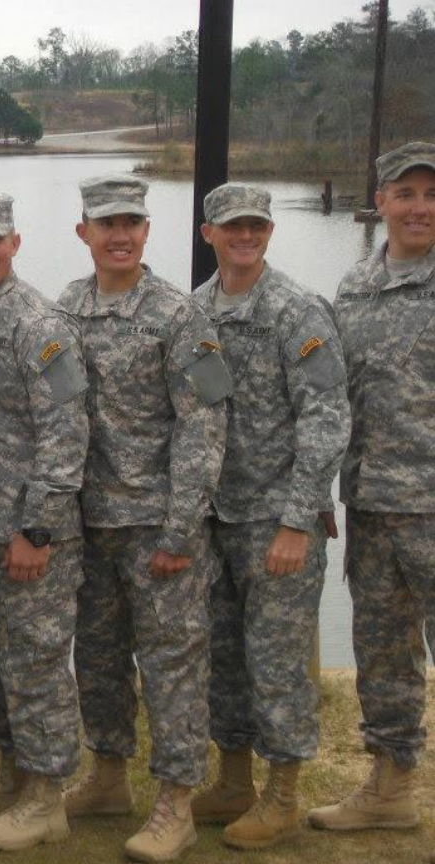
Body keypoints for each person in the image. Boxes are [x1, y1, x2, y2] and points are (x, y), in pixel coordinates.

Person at [58, 175, 231, 863]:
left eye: (132, 220)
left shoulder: (181, 316)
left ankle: (176, 803)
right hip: (89, 523)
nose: (120, 234)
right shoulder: (67, 308)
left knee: (172, 668)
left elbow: (205, 422)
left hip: (159, 527)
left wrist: (181, 527)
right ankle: (105, 777)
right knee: (97, 662)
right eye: (107, 223)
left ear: (148, 230)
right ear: (84, 233)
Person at [192, 183, 350, 850]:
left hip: (276, 519)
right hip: (215, 516)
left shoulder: (295, 309)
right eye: (233, 227)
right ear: (210, 234)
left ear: (268, 232)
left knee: (278, 660)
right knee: (223, 656)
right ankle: (233, 778)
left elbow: (326, 418)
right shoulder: (195, 311)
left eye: (256, 225)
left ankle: (283, 793)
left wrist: (297, 519)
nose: (246, 236)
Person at [0, 195, 90, 852]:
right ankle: (10, 770)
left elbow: (66, 431)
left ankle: (44, 796)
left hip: (30, 534)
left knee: (34, 665)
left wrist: (38, 529)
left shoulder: (41, 325)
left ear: (15, 243)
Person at [308, 141, 435, 835]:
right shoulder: (354, 287)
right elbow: (332, 399)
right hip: (373, 505)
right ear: (380, 200)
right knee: (383, 653)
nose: (420, 207)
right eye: (406, 193)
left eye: (431, 194)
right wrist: (320, 488)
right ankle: (391, 786)